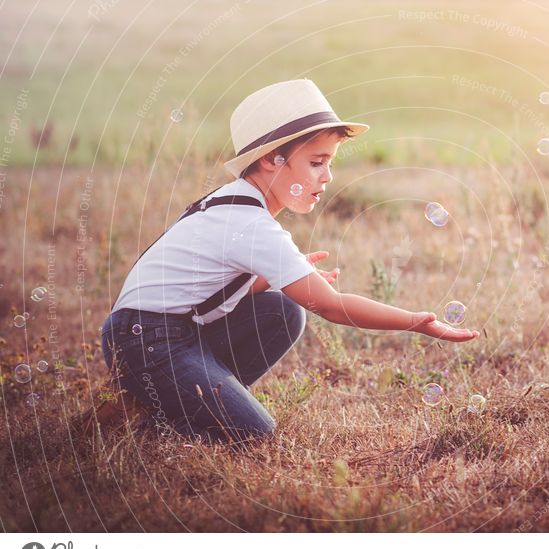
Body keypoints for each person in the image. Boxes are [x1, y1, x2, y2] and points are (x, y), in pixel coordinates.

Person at [99, 79, 479, 446]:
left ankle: (178, 402)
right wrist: (415, 321)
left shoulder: (236, 201)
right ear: (271, 159)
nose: (327, 177)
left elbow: (205, 290)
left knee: (283, 308)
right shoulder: (251, 223)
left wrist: (273, 279)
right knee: (252, 432)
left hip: (153, 331)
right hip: (147, 340)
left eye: (329, 163)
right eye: (317, 162)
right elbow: (331, 306)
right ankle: (159, 426)